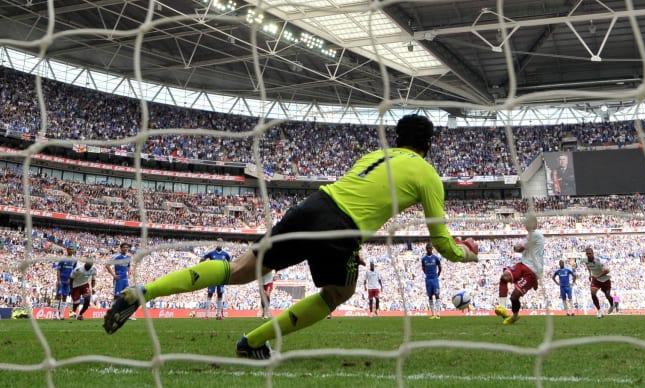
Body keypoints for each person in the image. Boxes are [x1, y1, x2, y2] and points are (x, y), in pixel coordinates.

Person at [103, 114, 478, 360]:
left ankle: (145, 292)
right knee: (337, 294)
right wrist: (467, 255)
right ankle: (252, 342)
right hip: (340, 228)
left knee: (240, 269)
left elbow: (360, 196)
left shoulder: (373, 156)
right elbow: (442, 242)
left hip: (312, 205)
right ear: (429, 143)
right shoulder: (428, 174)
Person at [494, 215, 545, 325]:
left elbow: (519, 248)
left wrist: (515, 247)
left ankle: (515, 316)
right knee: (504, 277)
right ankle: (502, 307)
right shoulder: (531, 236)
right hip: (523, 265)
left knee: (514, 297)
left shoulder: (535, 234)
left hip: (531, 270)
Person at [200, 239, 232, 320]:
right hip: (212, 277)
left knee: (220, 294)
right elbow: (203, 258)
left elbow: (230, 263)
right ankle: (206, 315)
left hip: (221, 277)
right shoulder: (211, 253)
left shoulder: (226, 254)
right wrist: (202, 262)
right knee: (210, 294)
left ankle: (218, 315)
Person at [583, 247, 612, 318]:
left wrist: (598, 276)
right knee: (592, 292)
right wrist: (590, 274)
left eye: (590, 253)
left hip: (605, 279)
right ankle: (599, 311)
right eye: (587, 254)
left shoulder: (599, 260)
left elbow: (607, 270)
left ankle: (612, 305)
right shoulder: (585, 260)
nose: (588, 255)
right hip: (596, 279)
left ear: (593, 253)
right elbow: (588, 266)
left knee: (607, 295)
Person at [54, 246, 77, 320]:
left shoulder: (74, 260)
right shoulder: (63, 259)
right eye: (70, 249)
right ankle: (55, 315)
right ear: (67, 250)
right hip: (61, 280)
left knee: (65, 297)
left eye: (72, 249)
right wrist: (58, 280)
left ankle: (62, 315)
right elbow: (58, 270)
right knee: (58, 296)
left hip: (68, 281)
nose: (71, 251)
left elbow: (74, 271)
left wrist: (71, 280)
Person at [420, 243, 443, 319]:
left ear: (432, 249)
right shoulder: (423, 259)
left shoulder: (436, 258)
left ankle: (438, 314)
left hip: (434, 279)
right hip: (428, 279)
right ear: (426, 249)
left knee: (437, 295)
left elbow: (440, 267)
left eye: (430, 248)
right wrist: (427, 274)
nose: (429, 250)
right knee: (430, 296)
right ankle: (433, 314)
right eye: (428, 248)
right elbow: (423, 268)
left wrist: (438, 275)